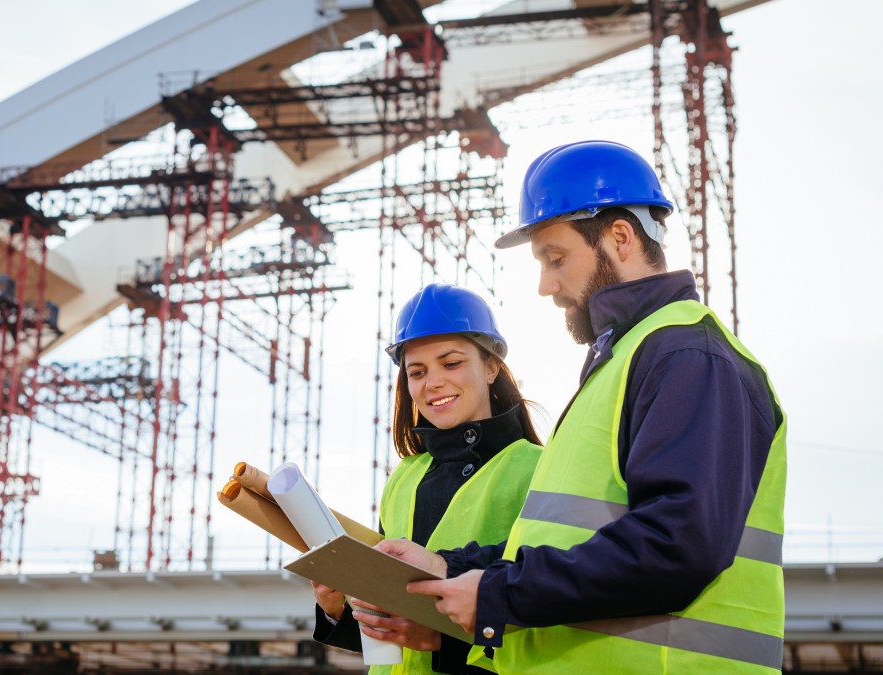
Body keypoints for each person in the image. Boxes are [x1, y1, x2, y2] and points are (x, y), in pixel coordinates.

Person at [379, 140, 787, 674]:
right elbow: (567, 542)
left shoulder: (689, 357)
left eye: (556, 259)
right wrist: (449, 566)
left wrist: (499, 594)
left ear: (620, 237)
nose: (546, 285)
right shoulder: (627, 363)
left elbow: (677, 546)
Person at [312, 284, 543, 674]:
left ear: (490, 367)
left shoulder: (538, 468)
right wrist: (336, 608)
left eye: (450, 363)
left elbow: (552, 603)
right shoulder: (403, 478)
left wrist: (442, 642)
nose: (431, 382)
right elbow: (389, 629)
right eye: (416, 372)